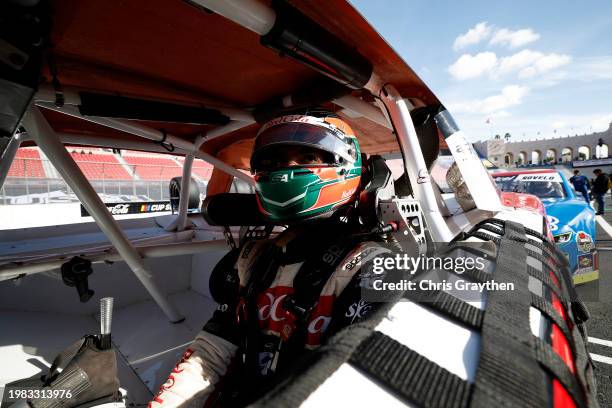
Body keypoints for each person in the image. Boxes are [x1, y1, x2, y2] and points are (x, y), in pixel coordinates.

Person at [149, 114, 393, 407]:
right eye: (274, 162)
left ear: (345, 165)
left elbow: (357, 386)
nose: (286, 171)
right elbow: (213, 351)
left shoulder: (372, 266)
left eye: (306, 156)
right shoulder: (254, 257)